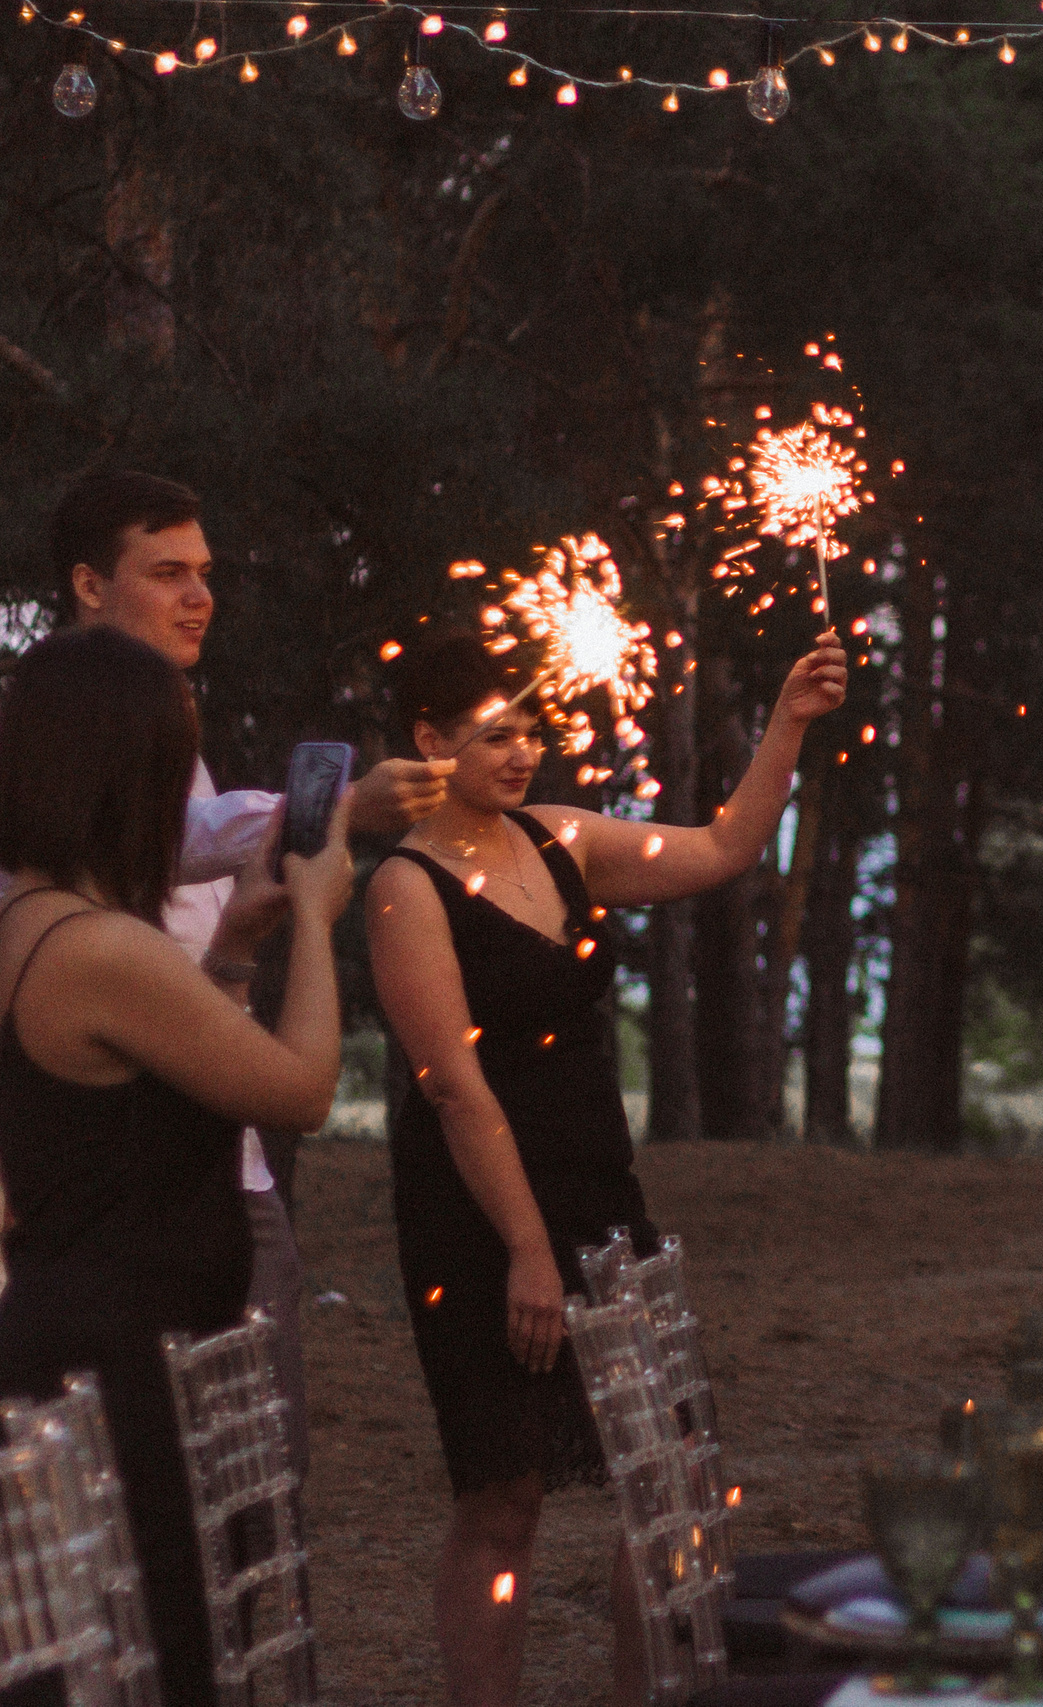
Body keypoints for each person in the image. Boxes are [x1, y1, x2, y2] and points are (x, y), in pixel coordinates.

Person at [367, 626, 843, 1707]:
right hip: (480, 1212)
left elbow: (722, 849)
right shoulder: (403, 889)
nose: (521, 751)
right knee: (507, 1492)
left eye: (530, 729)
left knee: (667, 1474)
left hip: (596, 1188)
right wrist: (528, 1252)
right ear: (428, 738)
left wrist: (787, 724)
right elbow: (453, 1085)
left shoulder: (559, 842)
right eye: (494, 734)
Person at [46, 469, 451, 1484]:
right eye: (168, 573)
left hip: (220, 1156)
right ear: (89, 585)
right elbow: (150, 841)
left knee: (260, 1492)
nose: (200, 597)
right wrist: (331, 816)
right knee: (201, 1504)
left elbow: (181, 895)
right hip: (129, 1167)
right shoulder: (52, 726)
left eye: (207, 573)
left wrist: (238, 938)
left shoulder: (161, 717)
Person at [0, 627, 353, 1707]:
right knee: (146, 1660)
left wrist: (239, 942)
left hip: (86, 1344)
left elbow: (158, 1089)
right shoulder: (104, 948)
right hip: (118, 1373)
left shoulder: (36, 920)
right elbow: (299, 1091)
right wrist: (321, 918)